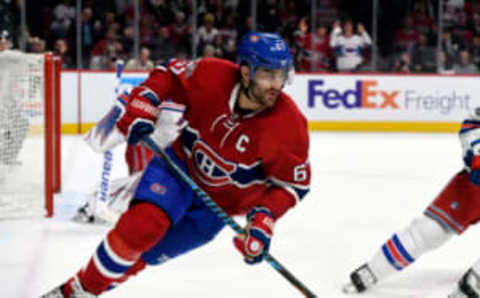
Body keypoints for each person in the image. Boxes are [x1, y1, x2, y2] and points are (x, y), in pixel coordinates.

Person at [41, 31, 311, 297]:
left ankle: (81, 290)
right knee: (141, 229)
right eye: (267, 75)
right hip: (178, 169)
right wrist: (144, 101)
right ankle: (71, 293)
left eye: (280, 75)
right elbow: (169, 74)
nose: (276, 84)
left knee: (144, 255)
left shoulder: (290, 126)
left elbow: (292, 186)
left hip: (217, 210)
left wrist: (264, 218)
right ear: (245, 71)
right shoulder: (211, 75)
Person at [343, 107, 480, 297]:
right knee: (429, 231)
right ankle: (374, 270)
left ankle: (472, 286)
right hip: (474, 187)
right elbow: (473, 124)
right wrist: (476, 151)